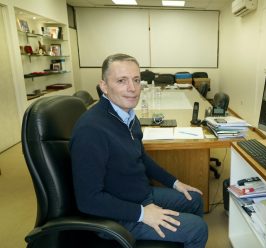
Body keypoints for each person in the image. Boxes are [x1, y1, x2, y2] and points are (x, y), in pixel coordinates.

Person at [70, 53, 208, 247]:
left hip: (138, 195)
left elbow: (141, 157)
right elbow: (88, 200)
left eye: (136, 80)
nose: (132, 89)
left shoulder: (128, 116)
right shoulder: (91, 130)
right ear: (104, 86)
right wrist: (142, 214)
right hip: (115, 215)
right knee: (197, 228)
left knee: (194, 199)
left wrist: (175, 182)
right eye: (121, 81)